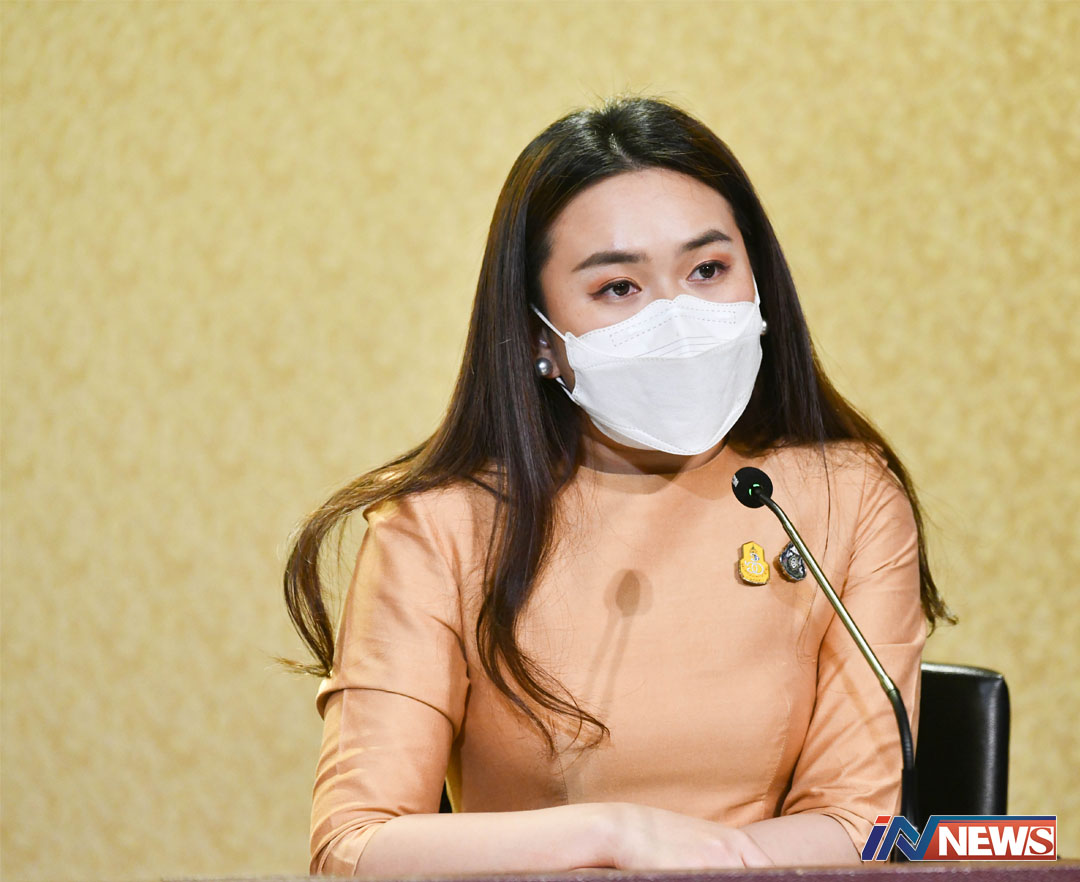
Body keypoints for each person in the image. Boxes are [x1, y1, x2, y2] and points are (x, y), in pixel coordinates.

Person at [282, 94, 955, 876]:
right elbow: (356, 844)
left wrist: (707, 862)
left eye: (708, 270)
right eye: (618, 289)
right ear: (540, 337)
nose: (677, 319)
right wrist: (613, 838)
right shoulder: (440, 524)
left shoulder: (846, 495)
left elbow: (862, 824)